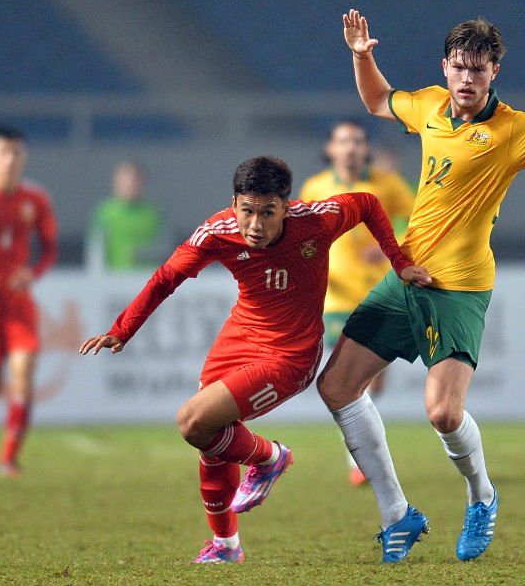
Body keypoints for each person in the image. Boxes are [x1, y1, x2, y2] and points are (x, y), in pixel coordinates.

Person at [318, 10, 525, 563]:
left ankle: (482, 496)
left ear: (494, 71)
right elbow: (378, 101)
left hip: (459, 289)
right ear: (446, 68)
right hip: (406, 277)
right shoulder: (429, 105)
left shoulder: (514, 131)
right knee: (335, 387)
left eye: (478, 69)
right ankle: (399, 515)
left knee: (443, 415)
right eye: (458, 67)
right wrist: (362, 55)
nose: (467, 79)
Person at [79, 156, 429, 564]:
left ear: (286, 205)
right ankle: (226, 546)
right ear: (234, 204)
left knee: (193, 421)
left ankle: (270, 457)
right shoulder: (218, 231)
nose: (256, 225)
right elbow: (165, 279)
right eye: (247, 211)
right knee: (211, 441)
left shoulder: (316, 220)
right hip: (239, 337)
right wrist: (122, 329)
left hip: (290, 354)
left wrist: (399, 261)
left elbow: (368, 202)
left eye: (267, 212)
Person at [299, 120, 414, 486]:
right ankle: (358, 460)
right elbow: (303, 235)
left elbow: (418, 221)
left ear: (366, 149)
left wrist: (387, 242)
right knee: (349, 379)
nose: (351, 148)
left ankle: (360, 453)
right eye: (343, 141)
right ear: (330, 149)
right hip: (335, 295)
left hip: (380, 292)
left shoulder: (387, 184)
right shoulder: (315, 188)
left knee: (374, 382)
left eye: (358, 141)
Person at [0, 126, 58, 477]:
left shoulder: (35, 200)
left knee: (23, 376)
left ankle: (8, 460)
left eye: (16, 152)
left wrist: (32, 273)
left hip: (18, 301)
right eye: (3, 152)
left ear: (24, 158)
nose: (10, 159)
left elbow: (49, 249)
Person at [86, 161, 167, 271]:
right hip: (115, 280)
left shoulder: (154, 214)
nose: (130, 184)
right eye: (125, 179)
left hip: (150, 280)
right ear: (116, 181)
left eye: (135, 180)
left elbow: (166, 248)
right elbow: (95, 251)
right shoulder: (105, 213)